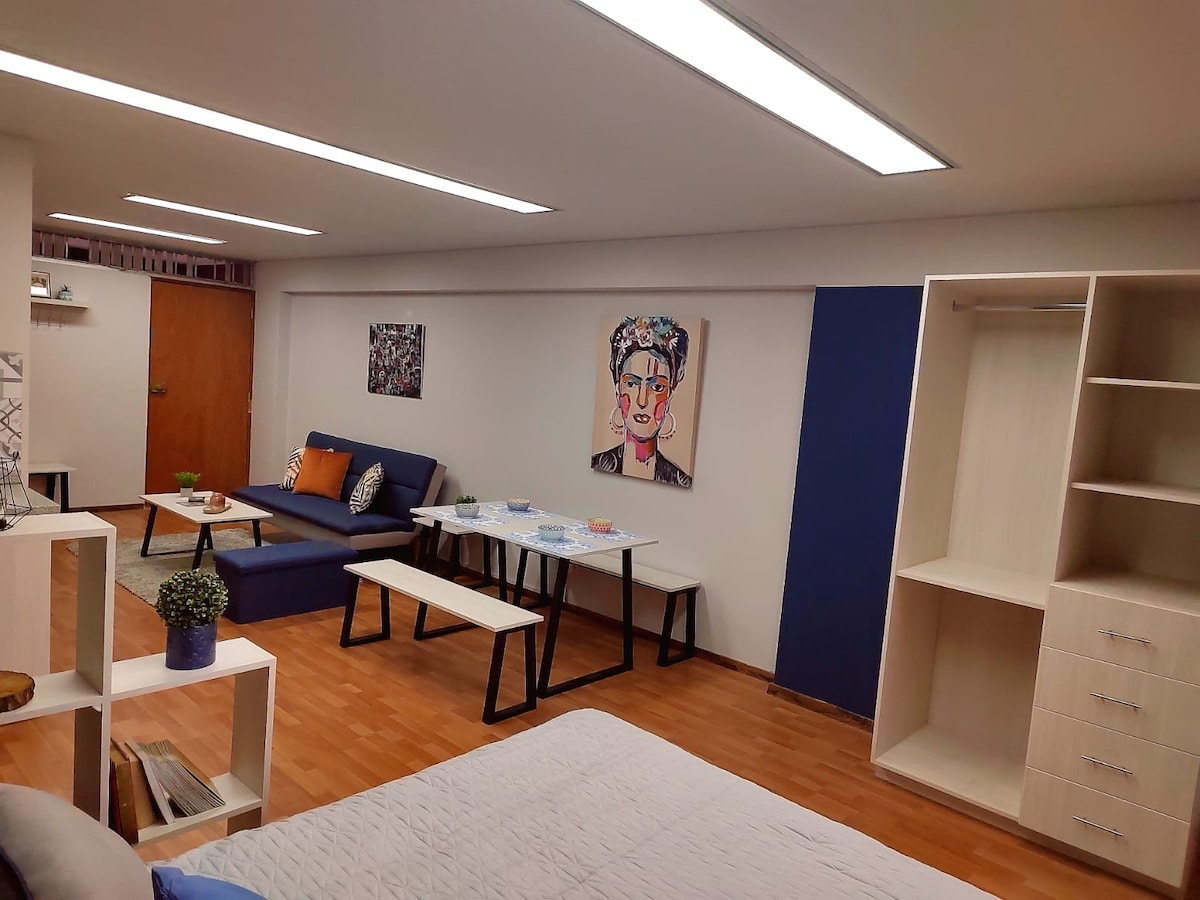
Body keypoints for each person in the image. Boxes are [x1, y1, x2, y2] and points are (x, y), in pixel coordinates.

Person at [592, 315, 692, 487]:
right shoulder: (599, 463)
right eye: (632, 384)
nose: (642, 400)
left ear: (670, 395)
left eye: (657, 387)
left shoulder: (678, 479)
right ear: (618, 391)